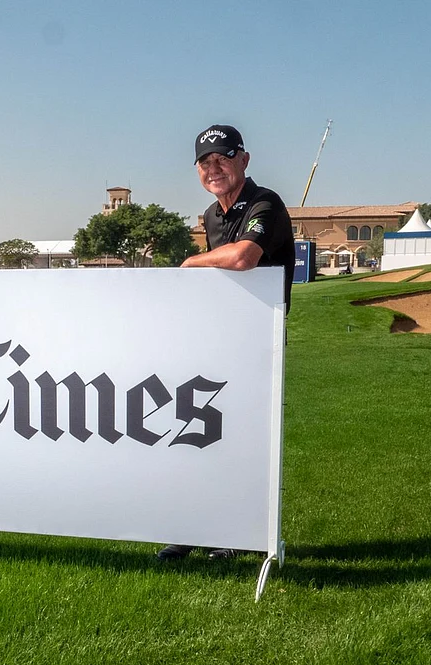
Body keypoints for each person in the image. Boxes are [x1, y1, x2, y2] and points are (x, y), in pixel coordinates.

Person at [157, 123, 294, 562]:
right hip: (218, 338)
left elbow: (243, 257)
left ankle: (238, 534)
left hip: (259, 343)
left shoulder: (265, 203)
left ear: (244, 160)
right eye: (205, 161)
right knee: (198, 437)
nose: (213, 168)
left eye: (223, 158)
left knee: (243, 442)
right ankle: (194, 528)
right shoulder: (211, 216)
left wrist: (190, 261)